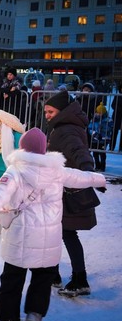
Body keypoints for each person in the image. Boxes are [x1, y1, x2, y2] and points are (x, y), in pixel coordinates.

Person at [0, 128, 106, 321]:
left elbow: (0, 192)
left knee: (12, 278)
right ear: (44, 150)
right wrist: (100, 179)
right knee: (43, 278)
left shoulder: (15, 170)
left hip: (20, 237)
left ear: (22, 147)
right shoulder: (57, 170)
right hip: (49, 237)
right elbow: (80, 177)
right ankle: (34, 315)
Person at [43, 90, 106, 296]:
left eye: (50, 111)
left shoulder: (65, 130)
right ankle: (54, 273)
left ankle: (79, 279)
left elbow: (79, 151)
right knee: (59, 233)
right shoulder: (63, 127)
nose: (47, 115)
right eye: (46, 111)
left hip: (68, 191)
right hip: (62, 189)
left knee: (66, 234)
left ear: (61, 111)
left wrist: (89, 173)